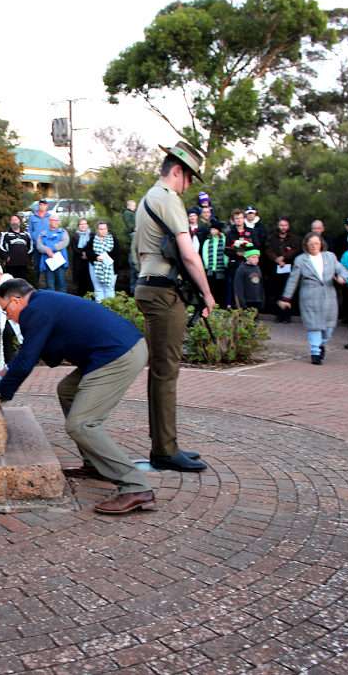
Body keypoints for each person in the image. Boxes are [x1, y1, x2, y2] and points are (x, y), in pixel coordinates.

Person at [0, 279, 155, 514]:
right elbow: (37, 350)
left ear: (16, 300)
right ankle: (95, 464)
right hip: (113, 351)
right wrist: (8, 370)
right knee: (67, 390)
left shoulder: (36, 309)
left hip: (118, 355)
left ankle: (136, 486)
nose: (8, 316)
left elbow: (29, 355)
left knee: (81, 425)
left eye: (6, 309)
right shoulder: (44, 303)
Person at [133, 141, 215, 472]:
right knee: (167, 372)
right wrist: (207, 294)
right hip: (163, 291)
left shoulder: (148, 198)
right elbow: (189, 255)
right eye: (189, 178)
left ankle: (164, 444)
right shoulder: (168, 199)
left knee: (161, 372)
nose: (189, 186)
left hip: (150, 286)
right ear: (177, 171)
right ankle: (165, 451)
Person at [278, 232, 348, 364]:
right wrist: (286, 298)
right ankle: (315, 352)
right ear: (306, 245)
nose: (314, 246)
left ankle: (321, 344)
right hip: (309, 297)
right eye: (311, 244)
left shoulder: (330, 256)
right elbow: (293, 280)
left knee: (328, 329)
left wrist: (342, 278)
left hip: (329, 297)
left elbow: (342, 270)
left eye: (316, 243)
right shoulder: (300, 260)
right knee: (314, 326)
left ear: (321, 244)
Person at [265, 216, 300, 322]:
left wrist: (284, 257)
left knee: (288, 291)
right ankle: (278, 315)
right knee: (277, 291)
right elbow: (268, 249)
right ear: (278, 226)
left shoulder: (294, 238)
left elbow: (296, 250)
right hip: (275, 268)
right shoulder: (272, 237)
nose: (283, 227)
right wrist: (276, 259)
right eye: (281, 225)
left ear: (288, 226)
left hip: (288, 267)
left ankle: (287, 315)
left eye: (285, 225)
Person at [224, 208, 257, 308]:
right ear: (233, 220)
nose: (239, 220)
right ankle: (233, 308)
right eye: (236, 218)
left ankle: (250, 310)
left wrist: (249, 254)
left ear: (244, 219)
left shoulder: (251, 232)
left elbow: (257, 246)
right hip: (234, 265)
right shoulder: (230, 233)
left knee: (249, 287)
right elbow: (226, 250)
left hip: (249, 265)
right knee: (234, 288)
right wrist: (236, 252)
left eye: (241, 218)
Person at [36, 214, 69, 292]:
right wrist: (46, 250)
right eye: (52, 220)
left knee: (61, 285)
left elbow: (65, 242)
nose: (54, 222)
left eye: (56, 220)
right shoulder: (42, 233)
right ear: (49, 221)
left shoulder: (63, 232)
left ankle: (62, 303)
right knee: (50, 286)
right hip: (48, 264)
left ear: (58, 222)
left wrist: (52, 248)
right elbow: (39, 245)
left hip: (60, 263)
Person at [201, 219, 229, 308]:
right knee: (211, 288)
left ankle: (221, 306)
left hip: (221, 269)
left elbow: (226, 253)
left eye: (214, 229)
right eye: (211, 229)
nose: (212, 231)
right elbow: (204, 254)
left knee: (221, 289)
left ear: (218, 230)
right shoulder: (207, 241)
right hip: (211, 270)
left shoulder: (224, 240)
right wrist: (207, 265)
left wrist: (225, 263)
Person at [89, 221, 118, 302]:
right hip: (95, 268)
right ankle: (99, 309)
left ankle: (111, 308)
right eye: (101, 229)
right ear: (97, 230)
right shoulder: (93, 239)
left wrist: (105, 256)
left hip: (110, 267)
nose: (103, 231)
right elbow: (88, 252)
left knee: (110, 289)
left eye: (105, 229)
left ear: (107, 229)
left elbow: (117, 252)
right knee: (98, 289)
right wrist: (96, 257)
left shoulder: (113, 239)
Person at [0, 214, 32, 282]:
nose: (14, 222)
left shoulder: (26, 235)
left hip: (23, 264)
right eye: (12, 220)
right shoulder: (5, 234)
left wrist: (27, 258)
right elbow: (1, 247)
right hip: (11, 264)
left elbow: (31, 247)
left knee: (22, 282)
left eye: (16, 220)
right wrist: (6, 257)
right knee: (11, 283)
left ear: (19, 222)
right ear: (10, 222)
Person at [29, 199, 51, 287]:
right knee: (36, 267)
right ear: (39, 205)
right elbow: (30, 230)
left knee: (48, 266)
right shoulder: (32, 217)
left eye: (44, 205)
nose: (42, 206)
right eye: (41, 205)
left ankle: (48, 286)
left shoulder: (50, 217)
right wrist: (34, 239)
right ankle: (36, 286)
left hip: (47, 247)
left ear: (47, 206)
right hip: (36, 246)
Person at [70, 218, 94, 296]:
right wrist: (82, 254)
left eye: (85, 224)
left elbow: (93, 247)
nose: (83, 226)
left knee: (90, 280)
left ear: (87, 225)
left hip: (90, 260)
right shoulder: (75, 236)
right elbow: (74, 248)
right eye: (81, 224)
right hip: (79, 261)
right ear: (78, 226)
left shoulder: (92, 235)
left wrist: (87, 254)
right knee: (81, 282)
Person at [124, 200, 138, 294]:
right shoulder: (127, 213)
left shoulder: (132, 213)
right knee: (134, 270)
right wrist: (135, 228)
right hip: (133, 234)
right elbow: (130, 225)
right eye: (134, 205)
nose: (135, 207)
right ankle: (133, 291)